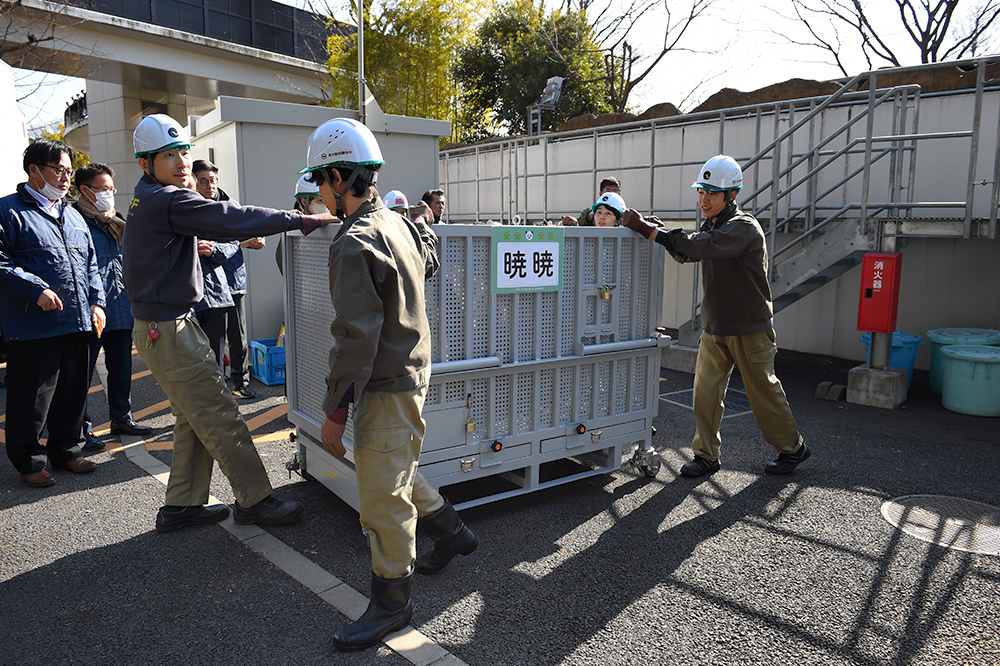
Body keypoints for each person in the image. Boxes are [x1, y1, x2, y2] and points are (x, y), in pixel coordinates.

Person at [305, 118, 478, 651]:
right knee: (394, 466)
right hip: (413, 370)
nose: (319, 193)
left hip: (384, 379)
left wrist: (333, 414)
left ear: (338, 177)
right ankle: (452, 532)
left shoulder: (353, 242)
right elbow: (429, 259)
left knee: (382, 498)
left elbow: (354, 339)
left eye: (320, 181)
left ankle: (392, 604)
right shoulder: (398, 223)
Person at [124, 113, 330, 532]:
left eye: (184, 152)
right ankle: (256, 501)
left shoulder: (149, 196)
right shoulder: (168, 200)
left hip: (162, 327)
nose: (182, 162)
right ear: (146, 163)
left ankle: (181, 506)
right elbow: (231, 217)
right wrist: (301, 219)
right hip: (170, 330)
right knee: (220, 414)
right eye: (169, 155)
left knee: (193, 417)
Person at [622, 155, 810, 477]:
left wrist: (648, 230)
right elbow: (688, 250)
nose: (704, 199)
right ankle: (706, 456)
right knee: (705, 393)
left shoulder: (744, 227)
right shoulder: (714, 226)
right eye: (701, 192)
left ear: (732, 195)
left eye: (712, 193)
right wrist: (658, 231)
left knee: (763, 393)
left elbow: (701, 246)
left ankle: (792, 448)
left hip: (750, 327)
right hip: (715, 324)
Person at [0, 140, 105, 487]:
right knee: (31, 398)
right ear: (34, 170)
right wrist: (35, 289)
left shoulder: (73, 214)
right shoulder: (8, 210)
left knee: (73, 393)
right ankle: (29, 461)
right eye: (58, 169)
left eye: (68, 171)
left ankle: (66, 450)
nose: (65, 177)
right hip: (33, 324)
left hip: (78, 320)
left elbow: (91, 264)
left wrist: (97, 302)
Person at [73, 163, 153, 449]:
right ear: (85, 190)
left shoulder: (115, 220)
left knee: (121, 369)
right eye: (103, 189)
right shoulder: (73, 221)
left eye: (111, 188)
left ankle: (122, 418)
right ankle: (81, 429)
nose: (109, 194)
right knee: (81, 375)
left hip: (120, 306)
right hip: (90, 310)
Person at [192, 159, 262, 398]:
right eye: (203, 181)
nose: (210, 186)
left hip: (233, 279)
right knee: (213, 340)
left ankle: (241, 382)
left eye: (212, 180)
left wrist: (256, 239)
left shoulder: (231, 206)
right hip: (208, 286)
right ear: (194, 183)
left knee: (238, 335)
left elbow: (246, 234)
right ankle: (216, 387)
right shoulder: (191, 208)